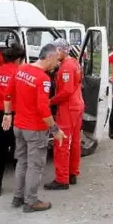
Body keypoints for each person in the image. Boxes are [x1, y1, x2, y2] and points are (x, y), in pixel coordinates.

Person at [3, 44, 65, 213]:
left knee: (22, 162)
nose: (57, 64)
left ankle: (18, 197)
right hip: (35, 129)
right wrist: (55, 129)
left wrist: (7, 114)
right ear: (49, 57)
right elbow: (43, 109)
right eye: (56, 60)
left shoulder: (21, 69)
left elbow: (7, 94)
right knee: (35, 166)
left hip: (19, 126)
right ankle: (31, 201)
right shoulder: (43, 79)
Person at [44, 39, 85, 190]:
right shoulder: (74, 62)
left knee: (60, 142)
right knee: (74, 142)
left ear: (60, 50)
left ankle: (62, 179)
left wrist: (50, 101)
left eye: (54, 51)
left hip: (68, 108)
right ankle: (72, 173)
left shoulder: (66, 67)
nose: (53, 54)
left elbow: (66, 91)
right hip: (77, 105)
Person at [0, 42, 25, 196]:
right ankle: (19, 187)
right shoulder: (19, 73)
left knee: (0, 150)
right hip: (13, 114)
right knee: (17, 149)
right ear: (17, 60)